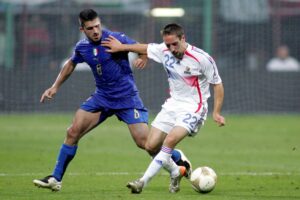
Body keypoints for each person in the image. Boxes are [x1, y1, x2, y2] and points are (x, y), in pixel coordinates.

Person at [33, 9, 190, 192]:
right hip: (102, 97)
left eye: (97, 26)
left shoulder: (115, 38)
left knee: (146, 144)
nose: (96, 31)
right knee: (73, 132)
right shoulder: (82, 47)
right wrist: (55, 86)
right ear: (82, 29)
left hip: (127, 98)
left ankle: (179, 158)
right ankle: (55, 178)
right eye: (90, 28)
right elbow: (71, 64)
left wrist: (143, 58)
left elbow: (143, 47)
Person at [102, 23, 225, 194]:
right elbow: (144, 47)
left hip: (193, 108)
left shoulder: (202, 59)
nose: (172, 48)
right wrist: (121, 47)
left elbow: (217, 85)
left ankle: (142, 182)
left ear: (183, 38)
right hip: (172, 104)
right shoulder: (163, 50)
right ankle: (176, 171)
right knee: (150, 146)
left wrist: (216, 112)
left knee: (169, 142)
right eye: (168, 45)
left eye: (175, 44)